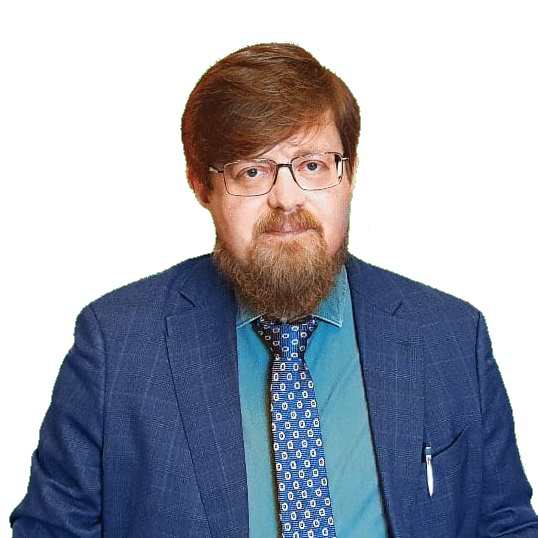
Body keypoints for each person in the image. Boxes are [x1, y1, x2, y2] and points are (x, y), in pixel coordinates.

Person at [10, 43, 538, 538]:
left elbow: (506, 525)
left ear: (350, 174)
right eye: (252, 171)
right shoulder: (117, 344)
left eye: (312, 165)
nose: (286, 198)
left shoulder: (452, 335)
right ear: (201, 186)